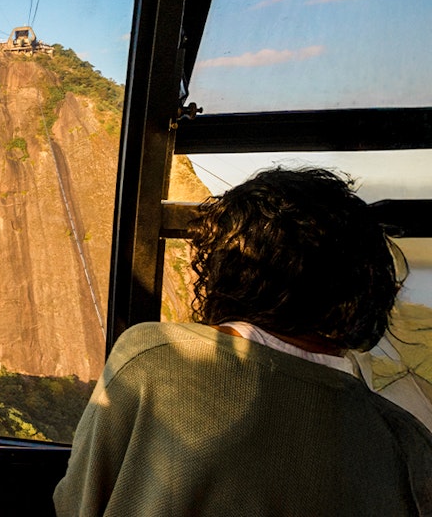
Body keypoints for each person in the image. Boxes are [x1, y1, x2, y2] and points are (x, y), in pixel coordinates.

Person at [53, 166, 432, 516]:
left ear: (225, 271)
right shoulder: (406, 443)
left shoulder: (155, 359)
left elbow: (76, 504)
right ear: (365, 287)